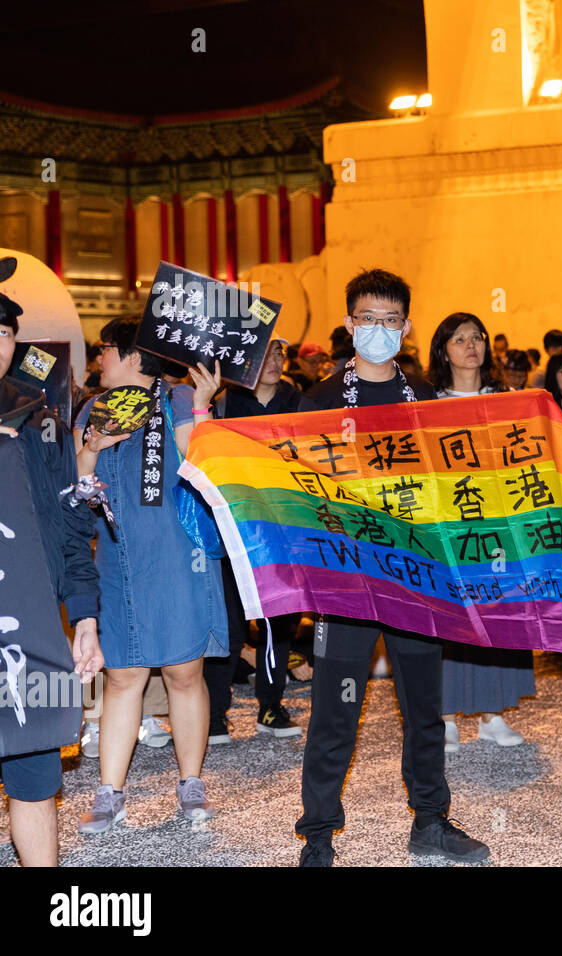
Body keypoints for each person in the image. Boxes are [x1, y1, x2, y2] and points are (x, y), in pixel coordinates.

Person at [295, 271, 487, 866]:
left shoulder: (424, 397)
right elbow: (299, 488)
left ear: (406, 328)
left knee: (423, 707)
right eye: (367, 319)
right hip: (347, 579)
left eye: (390, 320)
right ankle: (319, 834)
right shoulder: (322, 399)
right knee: (335, 709)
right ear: (350, 324)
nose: (378, 330)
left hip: (414, 575)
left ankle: (430, 820)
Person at [72, 317, 228, 835]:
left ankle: (190, 783)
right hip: (116, 557)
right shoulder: (93, 409)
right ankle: (109, 793)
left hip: (177, 554)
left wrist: (204, 405)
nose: (99, 361)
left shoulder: (179, 400)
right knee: (123, 676)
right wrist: (93, 445)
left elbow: (203, 467)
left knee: (185, 673)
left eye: (105, 351)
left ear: (134, 356)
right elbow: (78, 489)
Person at [0, 298, 104, 865]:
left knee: (35, 777)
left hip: (28, 642)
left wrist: (85, 618)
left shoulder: (38, 420)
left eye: (3, 331)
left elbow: (70, 528)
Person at [427, 312, 536, 749]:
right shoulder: (426, 401)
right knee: (450, 616)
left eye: (477, 337)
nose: (470, 345)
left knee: (499, 611)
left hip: (499, 520)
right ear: (444, 349)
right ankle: (446, 716)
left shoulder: (508, 397)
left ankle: (493, 712)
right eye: (459, 339)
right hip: (448, 524)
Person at [204, 338, 303, 743]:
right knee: (228, 623)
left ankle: (270, 704)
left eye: (280, 352)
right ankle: (214, 712)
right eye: (265, 353)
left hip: (284, 528)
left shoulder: (301, 404)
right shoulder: (224, 404)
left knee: (278, 621)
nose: (274, 360)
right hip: (234, 527)